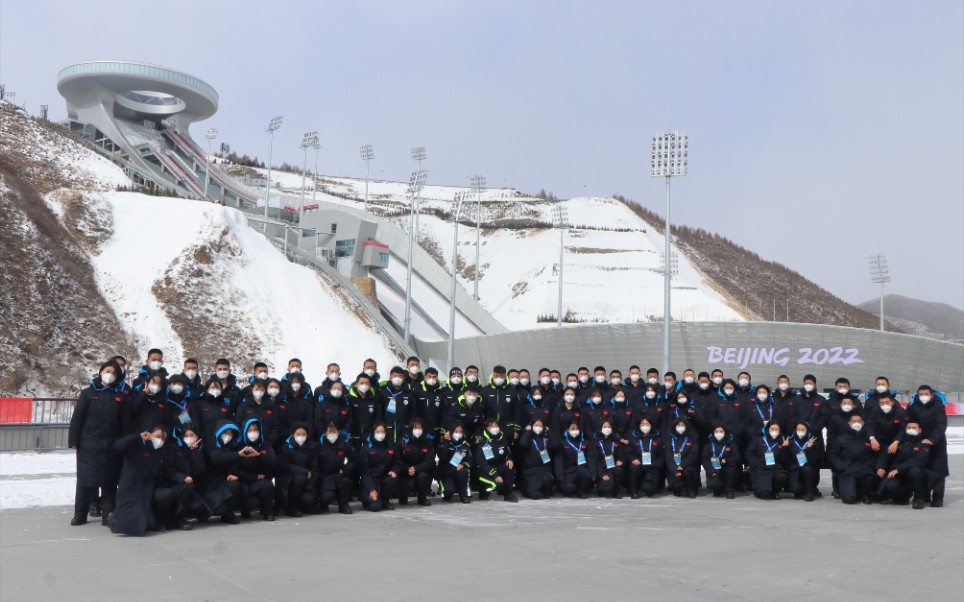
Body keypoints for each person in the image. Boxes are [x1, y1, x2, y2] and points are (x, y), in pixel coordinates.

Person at [69, 361, 124, 526]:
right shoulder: (88, 393)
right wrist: (74, 441)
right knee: (84, 481)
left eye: (114, 373)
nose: (110, 375)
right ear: (100, 372)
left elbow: (125, 422)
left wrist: (123, 443)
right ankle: (80, 513)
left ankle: (108, 514)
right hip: (89, 445)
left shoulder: (120, 396)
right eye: (108, 371)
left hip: (111, 445)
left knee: (109, 483)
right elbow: (77, 418)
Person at [110, 426, 173, 536]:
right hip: (131, 490)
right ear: (150, 434)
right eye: (157, 436)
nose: (160, 440)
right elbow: (117, 446)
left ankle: (155, 519)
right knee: (138, 526)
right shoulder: (136, 446)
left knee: (167, 496)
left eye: (163, 438)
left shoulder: (160, 453)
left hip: (147, 491)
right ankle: (114, 517)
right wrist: (137, 437)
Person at [906, 385, 948, 507]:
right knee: (921, 468)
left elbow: (941, 425)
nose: (924, 396)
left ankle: (938, 496)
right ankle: (923, 495)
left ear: (931, 395)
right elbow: (909, 423)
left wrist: (931, 439)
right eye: (921, 394)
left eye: (926, 394)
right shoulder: (912, 406)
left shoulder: (938, 406)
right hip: (919, 443)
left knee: (938, 470)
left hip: (937, 443)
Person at [876, 420, 932, 508]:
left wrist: (898, 469)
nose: (911, 429)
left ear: (920, 430)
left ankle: (919, 498)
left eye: (914, 428)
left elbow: (919, 460)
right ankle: (903, 495)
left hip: (915, 473)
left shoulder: (924, 442)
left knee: (915, 471)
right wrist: (880, 466)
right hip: (899, 474)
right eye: (909, 428)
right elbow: (886, 454)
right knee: (890, 486)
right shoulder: (898, 442)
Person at [160, 424, 206, 529]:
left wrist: (194, 451)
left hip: (190, 488)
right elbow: (168, 470)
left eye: (192, 435)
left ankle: (182, 514)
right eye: (186, 435)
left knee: (198, 506)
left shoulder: (198, 449)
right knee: (186, 487)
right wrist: (182, 477)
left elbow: (199, 470)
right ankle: (179, 518)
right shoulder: (174, 448)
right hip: (174, 484)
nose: (189, 438)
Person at [829, 414, 877, 505]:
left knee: (870, 479)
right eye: (854, 421)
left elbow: (875, 455)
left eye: (859, 421)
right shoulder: (841, 439)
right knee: (849, 499)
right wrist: (841, 467)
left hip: (864, 469)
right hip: (848, 470)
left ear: (863, 423)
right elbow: (833, 455)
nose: (856, 423)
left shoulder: (869, 439)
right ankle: (853, 492)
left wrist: (869, 466)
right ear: (849, 423)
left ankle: (866, 494)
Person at [236, 418, 277, 521]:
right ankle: (245, 511)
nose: (253, 433)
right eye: (250, 430)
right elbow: (237, 470)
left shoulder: (265, 445)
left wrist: (259, 455)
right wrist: (254, 477)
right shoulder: (240, 447)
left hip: (262, 481)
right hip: (245, 482)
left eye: (255, 430)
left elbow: (273, 462)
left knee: (267, 484)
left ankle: (268, 512)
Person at [205, 419, 244, 524]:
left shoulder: (233, 447)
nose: (228, 435)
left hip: (223, 481)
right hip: (209, 484)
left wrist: (231, 474)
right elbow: (215, 459)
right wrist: (237, 455)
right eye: (225, 432)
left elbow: (234, 466)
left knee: (235, 484)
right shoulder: (210, 443)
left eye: (230, 433)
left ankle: (228, 514)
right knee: (218, 510)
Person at [276, 422, 318, 517]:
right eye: (298, 434)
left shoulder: (312, 447)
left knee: (309, 500)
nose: (301, 436)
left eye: (303, 434)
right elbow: (283, 465)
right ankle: (292, 508)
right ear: (293, 435)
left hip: (307, 482)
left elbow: (315, 468)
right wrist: (304, 471)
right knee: (299, 478)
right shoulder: (286, 447)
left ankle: (301, 506)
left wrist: (310, 485)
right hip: (289, 481)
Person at [316, 422, 357, 514]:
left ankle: (343, 505)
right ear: (325, 433)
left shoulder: (344, 444)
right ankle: (324, 504)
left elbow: (354, 460)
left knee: (347, 482)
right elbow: (314, 464)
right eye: (329, 432)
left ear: (338, 432)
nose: (332, 434)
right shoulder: (319, 445)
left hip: (339, 475)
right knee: (327, 497)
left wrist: (346, 469)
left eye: (334, 432)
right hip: (325, 477)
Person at [394, 419, 436, 506]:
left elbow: (430, 461)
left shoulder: (427, 442)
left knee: (424, 476)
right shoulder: (402, 442)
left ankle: (422, 499)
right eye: (415, 428)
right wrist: (407, 469)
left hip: (420, 470)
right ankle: (402, 497)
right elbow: (397, 459)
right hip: (405, 471)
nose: (418, 430)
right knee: (402, 478)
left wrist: (416, 468)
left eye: (420, 428)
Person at [475, 420, 518, 502]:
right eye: (492, 426)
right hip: (486, 470)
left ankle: (509, 494)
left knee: (509, 467)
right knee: (498, 485)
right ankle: (484, 491)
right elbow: (482, 463)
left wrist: (509, 459)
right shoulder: (483, 443)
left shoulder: (503, 440)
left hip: (499, 466)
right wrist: (495, 475)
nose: (495, 428)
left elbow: (507, 453)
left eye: (496, 426)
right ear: (487, 428)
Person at [359, 423, 400, 511]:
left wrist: (394, 470)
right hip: (371, 481)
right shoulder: (366, 449)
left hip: (384, 480)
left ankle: (385, 500)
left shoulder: (391, 447)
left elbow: (398, 463)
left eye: (382, 432)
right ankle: (368, 500)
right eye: (378, 432)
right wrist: (371, 489)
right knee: (376, 507)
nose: (380, 434)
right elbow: (365, 471)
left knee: (393, 479)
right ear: (373, 433)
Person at [619, 417, 662, 499]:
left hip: (652, 467)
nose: (644, 426)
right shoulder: (633, 437)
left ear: (651, 425)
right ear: (639, 426)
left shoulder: (658, 438)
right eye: (642, 424)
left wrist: (655, 464)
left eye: (647, 424)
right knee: (633, 468)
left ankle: (646, 485)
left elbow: (661, 456)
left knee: (649, 489)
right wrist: (633, 459)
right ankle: (633, 491)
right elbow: (628, 452)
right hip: (639, 465)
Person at [748, 421, 791, 500]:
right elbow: (750, 453)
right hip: (761, 470)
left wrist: (784, 448)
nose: (774, 431)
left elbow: (785, 461)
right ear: (768, 429)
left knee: (782, 476)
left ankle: (775, 491)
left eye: (776, 429)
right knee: (764, 494)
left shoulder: (782, 442)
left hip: (775, 469)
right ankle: (759, 489)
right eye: (772, 429)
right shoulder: (759, 440)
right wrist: (755, 464)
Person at [234, 380, 283, 448]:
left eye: (262, 389)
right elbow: (238, 423)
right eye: (256, 389)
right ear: (252, 389)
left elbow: (276, 425)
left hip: (267, 444)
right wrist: (243, 438)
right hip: (247, 444)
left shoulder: (271, 406)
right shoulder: (244, 406)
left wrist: (271, 438)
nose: (259, 391)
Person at [553, 420, 592, 498]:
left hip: (581, 469)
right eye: (572, 429)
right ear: (568, 430)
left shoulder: (585, 443)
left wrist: (592, 472)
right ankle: (571, 488)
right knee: (569, 488)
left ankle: (582, 491)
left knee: (585, 474)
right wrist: (560, 475)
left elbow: (591, 459)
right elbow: (558, 460)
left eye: (576, 429)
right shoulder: (562, 443)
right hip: (568, 471)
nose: (575, 431)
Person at [436, 423, 473, 503]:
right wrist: (446, 441)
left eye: (460, 432)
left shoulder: (464, 446)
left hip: (458, 472)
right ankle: (446, 490)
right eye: (456, 432)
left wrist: (462, 465)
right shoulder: (443, 444)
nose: (458, 434)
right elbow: (443, 458)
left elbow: (471, 462)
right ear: (451, 432)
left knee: (463, 471)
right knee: (449, 491)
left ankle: (463, 496)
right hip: (446, 473)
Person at [786, 421, 823, 501]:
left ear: (807, 431)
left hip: (807, 469)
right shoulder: (790, 442)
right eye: (798, 429)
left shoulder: (812, 442)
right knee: (797, 490)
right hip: (795, 469)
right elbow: (786, 460)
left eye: (802, 429)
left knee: (808, 469)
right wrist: (784, 448)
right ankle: (798, 489)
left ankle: (810, 492)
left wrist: (809, 448)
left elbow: (814, 461)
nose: (800, 431)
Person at [377, 366, 415, 443]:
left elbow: (413, 413)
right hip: (386, 430)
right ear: (390, 377)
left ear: (404, 378)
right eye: (394, 376)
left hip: (403, 431)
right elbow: (379, 412)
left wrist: (410, 429)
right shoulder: (383, 392)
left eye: (400, 376)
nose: (397, 378)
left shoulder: (409, 393)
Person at [518, 418, 553, 500]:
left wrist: (549, 432)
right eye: (536, 425)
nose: (539, 427)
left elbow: (556, 444)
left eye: (541, 426)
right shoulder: (528, 437)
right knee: (535, 495)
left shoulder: (545, 438)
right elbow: (522, 443)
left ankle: (544, 490)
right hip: (531, 471)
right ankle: (529, 489)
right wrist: (529, 431)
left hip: (544, 469)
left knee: (547, 483)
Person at [702, 425, 741, 499]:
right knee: (715, 487)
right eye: (716, 432)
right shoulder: (708, 445)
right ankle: (717, 488)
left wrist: (726, 461)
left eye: (721, 431)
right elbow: (705, 459)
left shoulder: (731, 444)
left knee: (731, 471)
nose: (718, 433)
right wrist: (711, 470)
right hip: (714, 468)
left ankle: (729, 490)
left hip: (727, 467)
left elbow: (736, 457)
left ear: (725, 433)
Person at [665, 418, 700, 498]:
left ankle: (691, 490)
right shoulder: (670, 438)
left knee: (687, 472)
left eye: (682, 425)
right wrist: (674, 470)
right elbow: (668, 456)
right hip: (674, 468)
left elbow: (693, 454)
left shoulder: (691, 438)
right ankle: (680, 487)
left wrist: (683, 465)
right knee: (677, 488)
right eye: (678, 425)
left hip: (687, 467)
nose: (680, 427)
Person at [348, 373, 380, 449]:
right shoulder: (349, 399)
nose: (364, 385)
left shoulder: (373, 400)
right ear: (356, 384)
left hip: (369, 436)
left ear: (369, 385)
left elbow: (377, 417)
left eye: (366, 383)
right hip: (353, 436)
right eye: (362, 383)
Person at [592, 419, 623, 498]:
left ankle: (617, 491)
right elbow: (595, 460)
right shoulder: (596, 442)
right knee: (605, 489)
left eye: (609, 427)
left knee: (618, 470)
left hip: (612, 466)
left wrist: (620, 460)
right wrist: (602, 474)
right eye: (604, 427)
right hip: (602, 468)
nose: (607, 428)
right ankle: (600, 487)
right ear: (601, 428)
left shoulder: (615, 441)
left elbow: (621, 455)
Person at [315, 380, 352, 444]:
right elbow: (318, 420)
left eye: (339, 389)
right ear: (330, 390)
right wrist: (323, 434)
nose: (337, 390)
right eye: (334, 388)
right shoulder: (322, 404)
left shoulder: (346, 404)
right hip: (324, 438)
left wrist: (343, 433)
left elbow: (349, 420)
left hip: (341, 438)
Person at [415, 368, 446, 441]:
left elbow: (443, 413)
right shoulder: (417, 391)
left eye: (434, 377)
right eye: (429, 376)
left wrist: (442, 430)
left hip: (436, 430)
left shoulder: (441, 393)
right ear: (425, 377)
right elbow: (414, 411)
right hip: (420, 429)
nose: (431, 379)